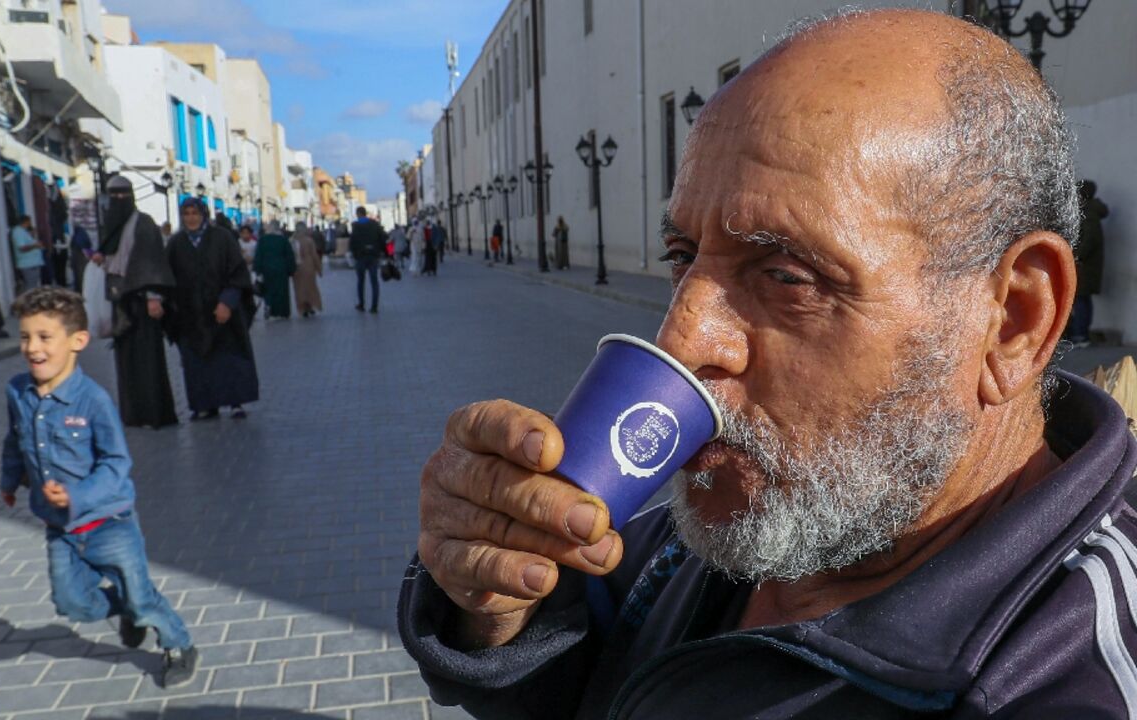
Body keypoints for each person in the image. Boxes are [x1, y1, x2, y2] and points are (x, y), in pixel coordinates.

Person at [398, 9, 1137, 717]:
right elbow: (599, 680)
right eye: (682, 257)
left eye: (786, 275)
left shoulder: (1068, 682)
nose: (680, 342)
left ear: (1013, 321)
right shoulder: (787, 502)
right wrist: (500, 611)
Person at [0, 287, 198, 688]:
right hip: (61, 528)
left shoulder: (93, 400)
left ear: (77, 341)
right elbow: (14, 439)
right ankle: (125, 606)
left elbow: (117, 463)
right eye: (25, 337)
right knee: (72, 604)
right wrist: (9, 479)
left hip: (111, 523)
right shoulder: (17, 392)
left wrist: (79, 494)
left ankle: (179, 644)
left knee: (144, 599)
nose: (32, 348)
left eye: (44, 337)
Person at [94, 175, 177, 429]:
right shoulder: (111, 225)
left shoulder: (143, 223)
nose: (118, 200)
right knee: (126, 359)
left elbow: (151, 261)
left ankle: (154, 412)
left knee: (147, 357)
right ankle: (133, 413)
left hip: (142, 300)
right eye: (113, 195)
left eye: (123, 195)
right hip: (120, 300)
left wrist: (154, 297)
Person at [166, 197, 259, 420]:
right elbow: (168, 276)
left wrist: (227, 301)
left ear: (203, 214)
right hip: (192, 315)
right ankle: (205, 404)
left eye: (195, 213)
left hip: (223, 313)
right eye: (186, 214)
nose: (191, 218)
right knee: (197, 361)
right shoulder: (176, 244)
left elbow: (237, 273)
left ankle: (235, 402)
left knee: (229, 358)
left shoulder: (222, 238)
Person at [1068, 179, 1108, 346]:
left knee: (1081, 298)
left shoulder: (1089, 212)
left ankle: (1081, 335)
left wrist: (1076, 255)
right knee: (1081, 298)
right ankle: (1079, 333)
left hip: (1085, 265)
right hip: (1085, 264)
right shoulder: (1089, 210)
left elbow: (1090, 240)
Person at [254, 220, 296, 321]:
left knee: (268, 288)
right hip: (281, 268)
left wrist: (257, 269)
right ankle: (282, 311)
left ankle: (268, 304)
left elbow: (258, 255)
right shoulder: (283, 240)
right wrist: (291, 269)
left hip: (266, 268)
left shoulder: (263, 240)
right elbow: (289, 255)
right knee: (281, 290)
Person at [349, 206, 387, 313]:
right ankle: (374, 306)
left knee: (361, 281)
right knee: (374, 281)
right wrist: (385, 252)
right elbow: (383, 238)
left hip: (361, 257)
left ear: (358, 214)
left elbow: (352, 242)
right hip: (373, 256)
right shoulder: (374, 224)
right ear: (365, 213)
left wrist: (354, 254)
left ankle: (361, 304)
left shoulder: (355, 226)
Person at [291, 221, 324, 318]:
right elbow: (314, 255)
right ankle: (310, 306)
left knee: (299, 289)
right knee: (310, 287)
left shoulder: (292, 240)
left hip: (296, 268)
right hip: (309, 266)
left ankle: (302, 308)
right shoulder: (309, 240)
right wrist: (319, 268)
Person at [10, 215, 44, 291]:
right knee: (31, 286)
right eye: (29, 222)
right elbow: (22, 248)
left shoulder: (24, 231)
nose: (30, 224)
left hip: (33, 263)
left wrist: (32, 236)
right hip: (28, 264)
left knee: (33, 284)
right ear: (26, 222)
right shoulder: (18, 232)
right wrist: (35, 246)